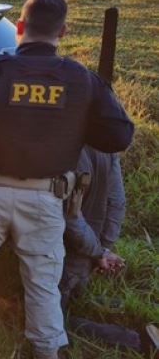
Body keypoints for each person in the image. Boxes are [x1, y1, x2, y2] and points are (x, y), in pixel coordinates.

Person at [0, 0, 134, 359]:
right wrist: (74, 128)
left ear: (19, 28)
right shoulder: (82, 80)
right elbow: (119, 136)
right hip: (45, 199)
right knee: (42, 283)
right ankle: (47, 349)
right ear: (63, 31)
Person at [62, 145, 159, 355]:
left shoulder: (66, 142)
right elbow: (117, 201)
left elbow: (70, 219)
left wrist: (100, 252)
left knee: (47, 319)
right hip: (85, 261)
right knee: (75, 300)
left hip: (65, 258)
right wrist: (105, 247)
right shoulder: (107, 138)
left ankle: (137, 342)